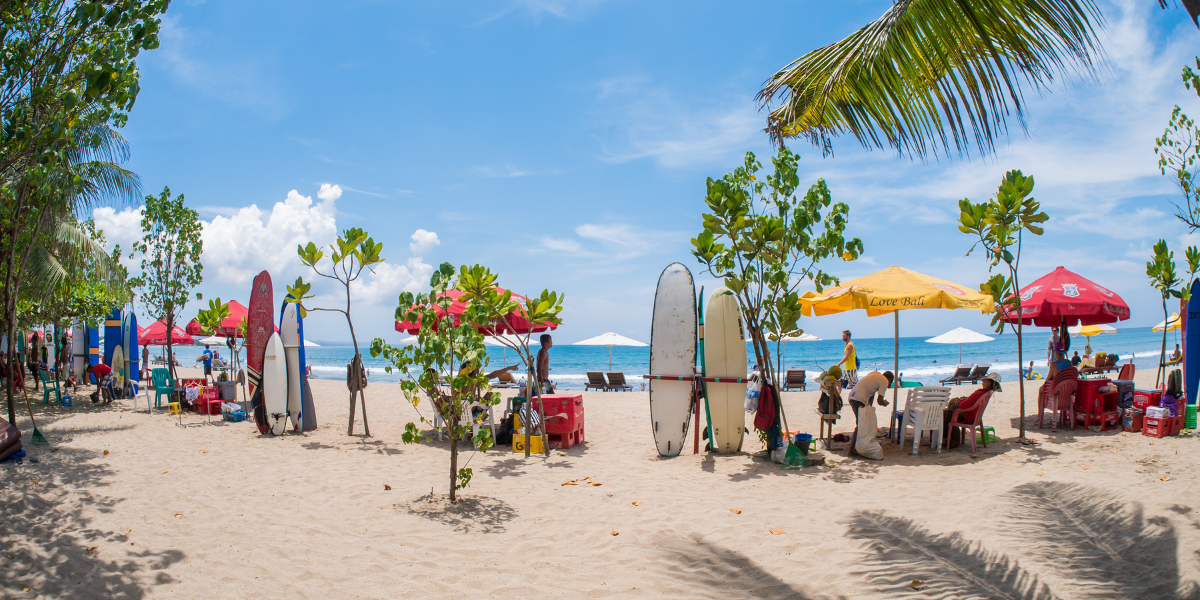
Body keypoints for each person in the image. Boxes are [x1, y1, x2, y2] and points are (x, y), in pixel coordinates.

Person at [943, 373, 1001, 447]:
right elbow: (972, 402)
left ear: (989, 382)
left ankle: (951, 441)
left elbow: (964, 406)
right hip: (976, 417)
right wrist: (966, 399)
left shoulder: (980, 392)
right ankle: (951, 439)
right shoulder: (987, 393)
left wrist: (960, 401)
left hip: (968, 416)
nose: (982, 382)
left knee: (947, 413)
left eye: (984, 381)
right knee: (949, 411)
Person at [846, 370, 893, 457]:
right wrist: (885, 403)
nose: (888, 385)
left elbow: (871, 394)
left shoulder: (874, 375)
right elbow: (879, 401)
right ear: (889, 379)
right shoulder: (884, 381)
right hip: (858, 399)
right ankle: (851, 451)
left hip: (852, 396)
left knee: (862, 423)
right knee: (860, 425)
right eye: (889, 383)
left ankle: (856, 447)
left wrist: (869, 407)